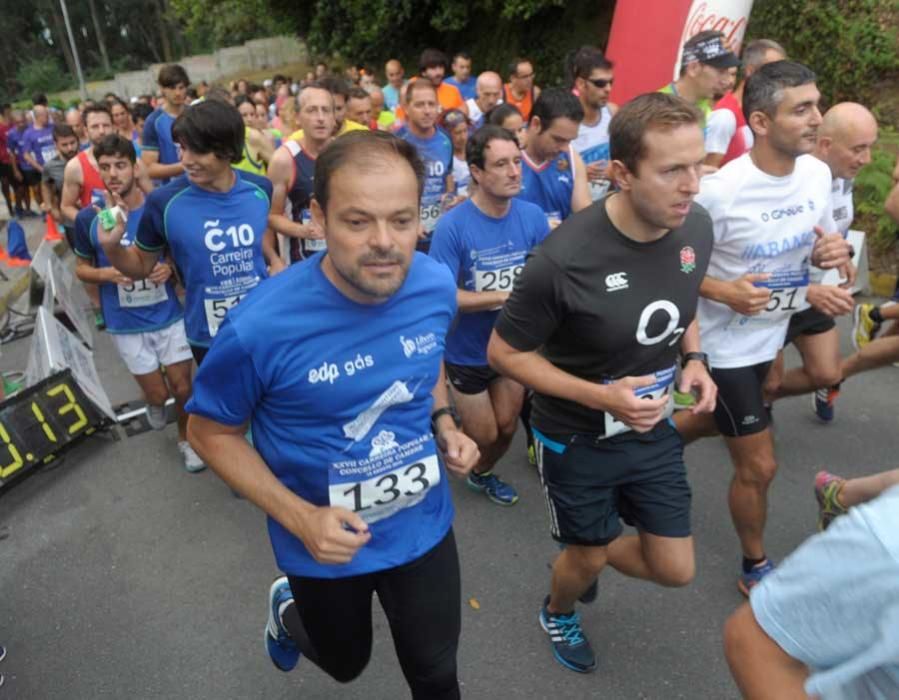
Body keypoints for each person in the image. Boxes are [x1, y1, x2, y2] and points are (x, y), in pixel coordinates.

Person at [185, 130, 479, 699]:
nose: (385, 243)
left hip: (421, 521)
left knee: (436, 671)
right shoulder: (260, 326)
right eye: (357, 221)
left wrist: (444, 422)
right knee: (346, 664)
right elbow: (208, 431)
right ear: (317, 218)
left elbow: (425, 356)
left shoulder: (435, 284)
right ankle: (287, 608)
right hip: (322, 541)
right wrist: (299, 519)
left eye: (401, 220)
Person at [487, 92, 716, 673]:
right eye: (671, 171)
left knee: (676, 568)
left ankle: (587, 546)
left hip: (651, 423)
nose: (692, 185)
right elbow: (505, 352)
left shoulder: (696, 227)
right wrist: (601, 396)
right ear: (621, 173)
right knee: (584, 561)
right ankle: (559, 605)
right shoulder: (562, 260)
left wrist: (695, 359)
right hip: (578, 436)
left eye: (698, 164)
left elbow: (680, 304)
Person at [672, 61, 854, 595]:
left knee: (722, 418)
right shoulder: (720, 192)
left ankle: (643, 445)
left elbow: (813, 243)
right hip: (721, 345)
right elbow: (672, 266)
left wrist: (828, 252)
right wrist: (722, 290)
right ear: (761, 121)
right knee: (760, 465)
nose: (817, 118)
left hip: (771, 331)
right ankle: (755, 565)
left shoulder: (818, 173)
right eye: (802, 109)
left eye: (817, 105)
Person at [95, 98, 279, 365]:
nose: (186, 160)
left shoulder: (261, 189)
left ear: (227, 149)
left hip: (263, 325)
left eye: (198, 152)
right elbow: (139, 266)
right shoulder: (164, 202)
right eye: (182, 149)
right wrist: (112, 247)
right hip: (208, 337)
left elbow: (260, 236)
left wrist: (274, 260)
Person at [431, 125, 549, 507]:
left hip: (513, 345)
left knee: (507, 428)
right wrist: (504, 295)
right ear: (477, 173)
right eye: (501, 164)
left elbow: (545, 278)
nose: (515, 171)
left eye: (517, 161)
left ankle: (481, 473)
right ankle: (447, 430)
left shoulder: (532, 217)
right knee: (484, 433)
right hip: (467, 351)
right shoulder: (453, 226)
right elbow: (444, 294)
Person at [73, 135, 198, 471]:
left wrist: (169, 268)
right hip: (125, 323)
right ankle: (153, 404)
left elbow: (179, 255)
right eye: (105, 167)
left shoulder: (157, 207)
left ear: (134, 167)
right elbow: (81, 268)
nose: (113, 173)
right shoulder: (90, 217)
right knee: (159, 395)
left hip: (168, 314)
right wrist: (109, 274)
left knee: (184, 386)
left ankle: (187, 440)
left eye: (120, 165)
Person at [724, 483, 899, 700]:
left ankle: (840, 492)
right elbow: (753, 637)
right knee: (677, 568)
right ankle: (754, 560)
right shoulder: (889, 543)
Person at [765, 102, 877, 421]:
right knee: (768, 382)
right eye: (859, 149)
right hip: (773, 292)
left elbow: (833, 229)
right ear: (826, 145)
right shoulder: (788, 181)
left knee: (827, 373)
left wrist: (844, 254)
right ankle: (745, 401)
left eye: (869, 148)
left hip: (812, 291)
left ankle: (754, 397)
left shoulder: (842, 176)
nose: (866, 159)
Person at [267, 83, 335, 264]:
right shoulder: (284, 159)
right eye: (312, 110)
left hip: (341, 258)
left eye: (326, 110)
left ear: (334, 117)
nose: (320, 118)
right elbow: (272, 216)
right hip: (302, 261)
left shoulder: (345, 153)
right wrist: (302, 231)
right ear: (297, 117)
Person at [705, 39, 786, 168]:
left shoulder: (760, 114)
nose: (780, 77)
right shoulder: (725, 116)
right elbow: (707, 173)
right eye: (772, 69)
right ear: (750, 71)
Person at [395, 80, 455, 252]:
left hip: (438, 231)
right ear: (406, 108)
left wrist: (450, 197)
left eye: (431, 104)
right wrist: (408, 220)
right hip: (406, 233)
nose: (427, 111)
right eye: (420, 105)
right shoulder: (397, 141)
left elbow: (448, 176)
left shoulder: (446, 139)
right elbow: (387, 190)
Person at [518, 89, 591, 227]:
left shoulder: (571, 158)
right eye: (558, 139)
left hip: (556, 246)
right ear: (536, 124)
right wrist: (540, 226)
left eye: (570, 141)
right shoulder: (508, 156)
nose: (564, 148)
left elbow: (585, 218)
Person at [658, 31, 740, 132]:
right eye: (721, 71)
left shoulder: (709, 108)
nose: (727, 81)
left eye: (728, 72)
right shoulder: (658, 109)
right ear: (693, 68)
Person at [570, 47, 619, 202]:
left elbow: (627, 155)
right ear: (581, 84)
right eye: (600, 83)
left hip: (607, 205)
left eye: (611, 82)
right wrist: (579, 172)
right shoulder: (564, 119)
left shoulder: (612, 112)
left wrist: (615, 170)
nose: (608, 89)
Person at [142, 64, 190, 183]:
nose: (178, 93)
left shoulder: (197, 115)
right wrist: (186, 166)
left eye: (181, 87)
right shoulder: (153, 121)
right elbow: (149, 168)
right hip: (171, 189)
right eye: (172, 88)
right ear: (162, 89)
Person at [39, 124, 80, 247]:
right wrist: (50, 207)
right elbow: (45, 184)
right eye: (64, 145)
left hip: (93, 216)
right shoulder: (50, 166)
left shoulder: (87, 158)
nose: (70, 148)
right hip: (70, 222)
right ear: (56, 145)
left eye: (72, 143)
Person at [289, 77, 366, 140]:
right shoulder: (296, 141)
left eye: (338, 109)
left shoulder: (363, 136)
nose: (333, 116)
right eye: (326, 109)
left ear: (346, 107)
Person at [20, 104, 56, 213]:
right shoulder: (28, 133)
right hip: (43, 169)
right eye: (46, 115)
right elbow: (26, 155)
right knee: (44, 191)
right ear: (38, 116)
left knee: (57, 191)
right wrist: (40, 168)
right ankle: (46, 212)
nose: (48, 117)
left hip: (57, 165)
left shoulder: (52, 127)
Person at [234, 95, 276, 176]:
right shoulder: (227, 140)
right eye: (244, 115)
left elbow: (278, 166)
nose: (249, 119)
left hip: (259, 187)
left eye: (252, 114)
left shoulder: (261, 137)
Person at [418, 49, 467, 115]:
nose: (439, 72)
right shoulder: (413, 90)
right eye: (433, 68)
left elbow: (462, 118)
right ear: (423, 72)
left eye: (441, 67)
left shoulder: (453, 91)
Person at [7, 110, 33, 216]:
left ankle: (28, 210)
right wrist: (16, 170)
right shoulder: (11, 134)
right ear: (14, 123)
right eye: (18, 122)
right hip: (19, 164)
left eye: (23, 121)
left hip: (32, 164)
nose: (21, 124)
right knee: (20, 189)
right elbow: (11, 153)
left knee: (31, 189)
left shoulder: (31, 129)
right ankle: (18, 208)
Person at [440, 110, 471, 197]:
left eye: (465, 131)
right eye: (457, 133)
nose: (463, 137)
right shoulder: (445, 160)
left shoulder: (474, 152)